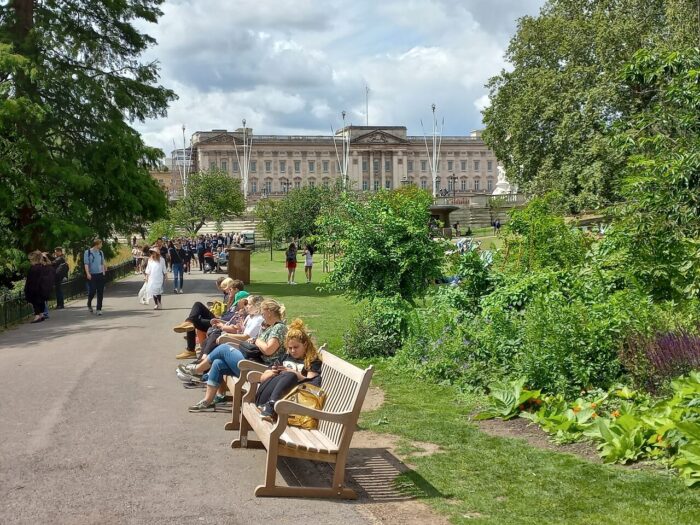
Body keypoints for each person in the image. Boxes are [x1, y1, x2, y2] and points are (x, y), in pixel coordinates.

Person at [185, 299, 287, 412]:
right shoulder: (270, 326)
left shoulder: (279, 328)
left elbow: (268, 350)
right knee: (218, 363)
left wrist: (256, 340)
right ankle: (207, 401)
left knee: (223, 349)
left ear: (269, 312)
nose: (262, 315)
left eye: (263, 312)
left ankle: (198, 369)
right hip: (254, 361)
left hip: (261, 369)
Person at [255, 318, 321, 421]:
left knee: (291, 376)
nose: (293, 351)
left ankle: (271, 406)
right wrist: (272, 373)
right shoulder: (284, 358)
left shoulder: (312, 360)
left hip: (291, 402)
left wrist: (293, 373)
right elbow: (262, 378)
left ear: (305, 344)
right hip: (264, 397)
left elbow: (312, 384)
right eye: (290, 348)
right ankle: (270, 405)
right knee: (289, 375)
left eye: (296, 347)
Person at [171, 278, 243, 359]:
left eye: (230, 289)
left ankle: (190, 350)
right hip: (220, 319)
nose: (228, 291)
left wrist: (220, 319)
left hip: (222, 323)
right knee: (197, 305)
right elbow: (226, 313)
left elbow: (233, 319)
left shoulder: (240, 301)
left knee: (194, 321)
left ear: (236, 290)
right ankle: (189, 322)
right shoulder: (231, 298)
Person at [24, 251, 54, 323]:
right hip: (42, 288)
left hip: (35, 288)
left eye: (31, 259)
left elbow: (31, 280)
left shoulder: (34, 268)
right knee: (41, 302)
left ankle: (37, 315)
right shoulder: (43, 266)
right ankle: (41, 314)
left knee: (35, 302)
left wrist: (28, 289)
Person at [84, 238, 106, 315]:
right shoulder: (88, 252)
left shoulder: (101, 252)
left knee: (100, 292)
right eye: (101, 244)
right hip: (92, 274)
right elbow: (86, 264)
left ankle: (99, 309)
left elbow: (103, 263)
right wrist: (87, 273)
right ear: (97, 244)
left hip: (100, 274)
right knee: (92, 291)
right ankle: (89, 302)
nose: (101, 245)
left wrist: (103, 272)